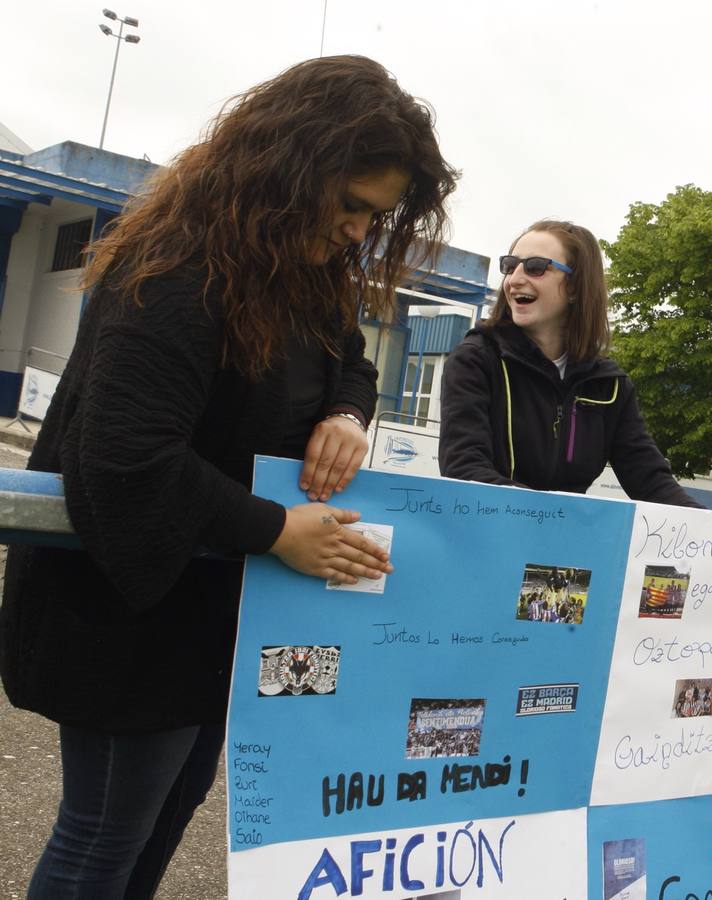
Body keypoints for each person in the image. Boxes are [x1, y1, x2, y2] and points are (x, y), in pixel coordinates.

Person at [0, 55, 456, 898]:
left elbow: (352, 365)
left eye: (376, 216)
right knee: (102, 836)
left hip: (213, 613)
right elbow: (129, 455)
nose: (359, 232)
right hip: (122, 611)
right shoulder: (179, 268)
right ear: (291, 168)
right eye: (351, 205)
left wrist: (348, 418)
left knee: (164, 820)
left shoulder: (306, 274)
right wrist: (279, 531)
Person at [437, 220, 700, 507]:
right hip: (490, 538)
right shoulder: (476, 359)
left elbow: (651, 481)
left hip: (560, 547)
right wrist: (557, 519)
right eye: (510, 266)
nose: (514, 279)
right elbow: (464, 468)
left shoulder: (609, 385)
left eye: (536, 267)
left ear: (575, 286)